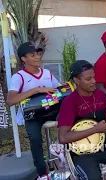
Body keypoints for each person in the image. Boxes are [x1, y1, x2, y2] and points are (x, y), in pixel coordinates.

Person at [6, 42, 67, 180]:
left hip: (50, 111)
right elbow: (11, 100)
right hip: (32, 115)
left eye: (38, 54)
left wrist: (65, 87)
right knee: (35, 139)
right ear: (24, 59)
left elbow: (58, 90)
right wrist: (37, 90)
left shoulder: (47, 73)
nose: (37, 57)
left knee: (69, 119)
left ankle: (59, 147)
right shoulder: (19, 77)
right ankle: (42, 174)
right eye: (32, 55)